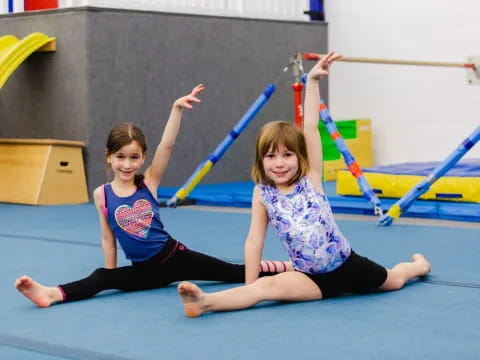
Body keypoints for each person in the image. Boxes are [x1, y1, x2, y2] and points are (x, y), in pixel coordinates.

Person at [177, 52, 431, 318]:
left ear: (300, 158)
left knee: (393, 280)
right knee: (265, 287)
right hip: (309, 278)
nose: (279, 163)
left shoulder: (311, 178)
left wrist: (312, 82)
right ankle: (204, 302)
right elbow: (254, 240)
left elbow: (310, 127)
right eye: (271, 156)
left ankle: (418, 266)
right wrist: (250, 288)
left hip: (347, 265)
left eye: (287, 155)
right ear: (261, 160)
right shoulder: (263, 194)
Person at [15, 84, 291, 308]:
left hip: (175, 257)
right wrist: (112, 274)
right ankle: (51, 294)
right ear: (108, 157)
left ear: (143, 158)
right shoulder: (103, 195)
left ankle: (290, 267)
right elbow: (107, 238)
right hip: (145, 272)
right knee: (100, 277)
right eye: (120, 157)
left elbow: (167, 146)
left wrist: (176, 110)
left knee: (233, 273)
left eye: (134, 157)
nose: (127, 164)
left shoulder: (148, 182)